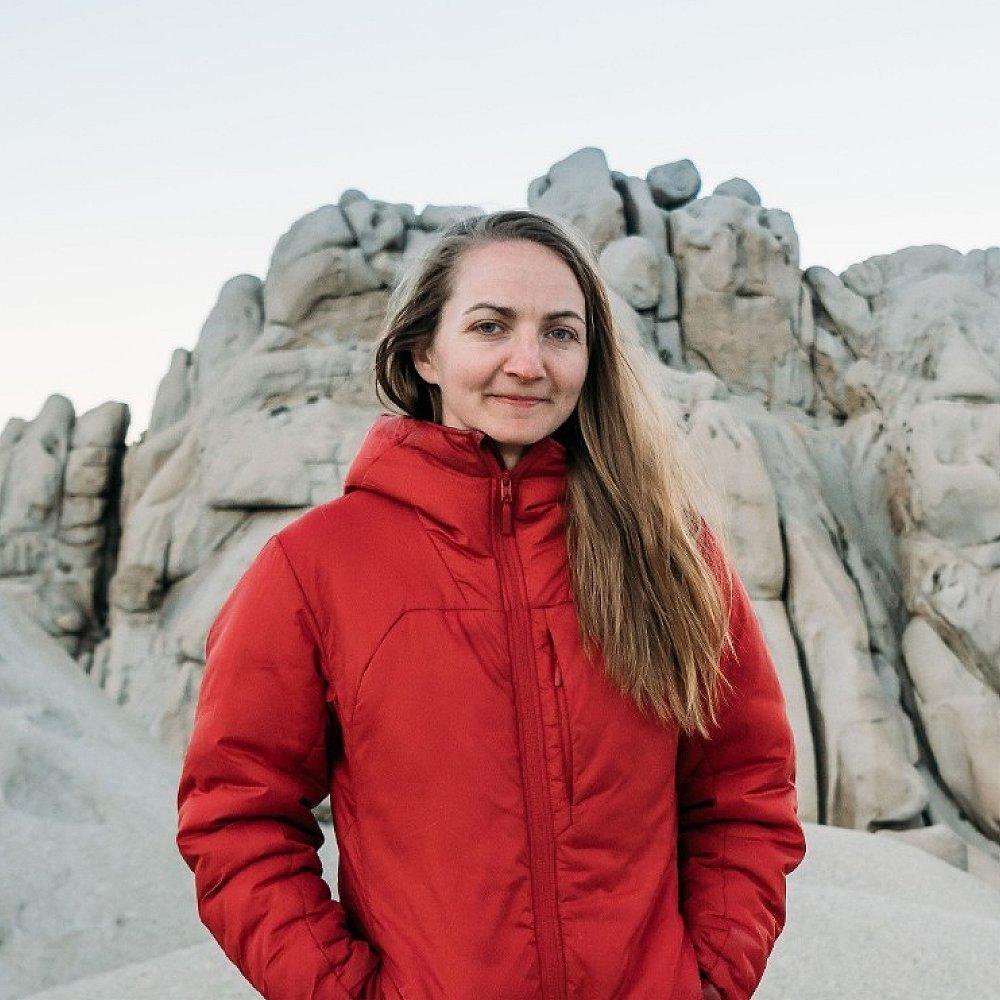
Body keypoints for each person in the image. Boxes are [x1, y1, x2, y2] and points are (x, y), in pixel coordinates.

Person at [176, 209, 807, 999]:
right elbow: (236, 818)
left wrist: (709, 976)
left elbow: (745, 787)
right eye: (490, 326)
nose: (527, 363)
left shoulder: (671, 553)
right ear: (424, 354)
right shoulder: (315, 567)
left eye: (561, 333)